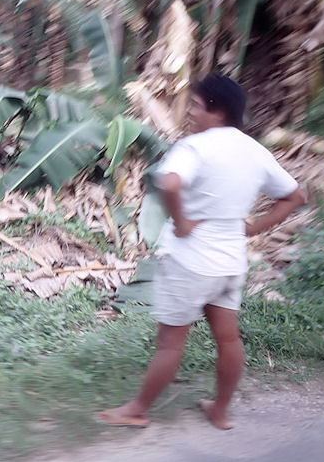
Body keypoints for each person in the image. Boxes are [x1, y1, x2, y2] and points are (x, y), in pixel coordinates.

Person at [97, 73, 305, 430]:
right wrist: (254, 228)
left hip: (191, 263)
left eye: (194, 105)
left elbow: (170, 182)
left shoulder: (195, 147)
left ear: (217, 110)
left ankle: (136, 410)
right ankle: (220, 411)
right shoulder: (255, 151)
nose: (189, 112)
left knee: (170, 345)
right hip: (230, 264)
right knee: (229, 339)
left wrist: (180, 223)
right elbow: (295, 196)